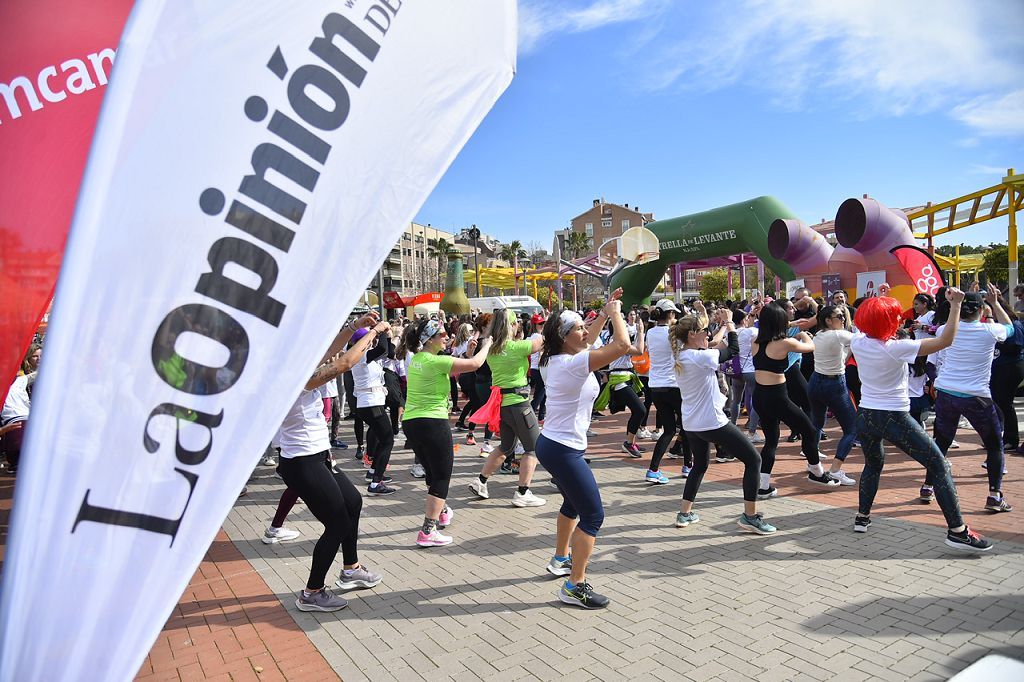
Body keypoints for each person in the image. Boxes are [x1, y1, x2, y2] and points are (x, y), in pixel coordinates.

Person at [851, 290, 992, 551]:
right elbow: (947, 339)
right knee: (940, 465)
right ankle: (958, 531)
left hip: (866, 415)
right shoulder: (897, 348)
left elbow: (863, 325)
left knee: (873, 465)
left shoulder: (859, 342)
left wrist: (880, 299)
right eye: (895, 316)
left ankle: (862, 517)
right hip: (892, 416)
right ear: (889, 322)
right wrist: (956, 305)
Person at [276, 315, 388, 612]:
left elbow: (329, 352)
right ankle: (312, 593)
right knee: (337, 522)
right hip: (300, 462)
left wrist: (353, 327)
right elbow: (343, 364)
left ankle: (351, 569)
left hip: (317, 455)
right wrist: (374, 331)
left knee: (352, 502)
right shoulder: (287, 377)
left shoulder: (295, 364)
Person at [536, 290, 629, 609]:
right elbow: (622, 346)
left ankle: (561, 558)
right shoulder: (573, 363)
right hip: (562, 449)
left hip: (554, 444)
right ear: (565, 337)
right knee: (593, 515)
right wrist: (616, 313)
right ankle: (574, 585)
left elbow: (587, 338)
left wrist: (602, 312)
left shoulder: (557, 357)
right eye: (578, 328)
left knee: (572, 505)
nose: (585, 330)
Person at [671, 308, 776, 534]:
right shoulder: (701, 357)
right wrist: (729, 324)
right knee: (754, 460)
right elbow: (733, 350)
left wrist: (720, 327)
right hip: (712, 422)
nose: (707, 336)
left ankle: (684, 512)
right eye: (703, 331)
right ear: (691, 335)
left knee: (700, 465)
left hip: (691, 423)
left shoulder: (682, 355)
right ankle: (750, 516)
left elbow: (714, 345)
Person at [400, 318, 493, 546]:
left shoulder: (419, 359)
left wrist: (466, 354)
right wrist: (487, 344)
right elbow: (475, 365)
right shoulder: (434, 360)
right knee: (442, 476)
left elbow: (454, 367)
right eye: (441, 334)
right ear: (430, 339)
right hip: (432, 422)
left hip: (412, 422)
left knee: (432, 472)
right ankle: (427, 532)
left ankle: (442, 511)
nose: (446, 336)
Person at [931, 285, 1013, 512]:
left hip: (946, 392)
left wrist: (953, 302)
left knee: (942, 442)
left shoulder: (944, 331)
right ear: (981, 309)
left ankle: (928, 486)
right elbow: (1010, 327)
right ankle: (995, 497)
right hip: (976, 396)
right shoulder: (990, 331)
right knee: (994, 445)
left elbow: (947, 321)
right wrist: (996, 303)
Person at [752, 302, 838, 497]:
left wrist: (791, 325)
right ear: (781, 322)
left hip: (760, 396)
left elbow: (772, 326)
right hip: (777, 396)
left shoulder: (756, 341)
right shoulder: (785, 343)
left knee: (771, 440)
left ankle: (764, 486)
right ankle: (816, 472)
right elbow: (810, 347)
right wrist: (802, 333)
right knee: (808, 430)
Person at [468, 310, 546, 507]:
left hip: (502, 405)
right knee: (533, 448)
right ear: (511, 325)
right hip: (519, 403)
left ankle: (481, 481)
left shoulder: (492, 349)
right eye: (516, 322)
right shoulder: (517, 347)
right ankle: (522, 492)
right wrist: (542, 328)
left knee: (506, 446)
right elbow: (541, 342)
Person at [645, 298, 701, 482]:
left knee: (669, 430)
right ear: (671, 314)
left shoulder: (650, 333)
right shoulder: (674, 333)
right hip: (674, 386)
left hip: (655, 386)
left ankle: (653, 469)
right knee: (687, 426)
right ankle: (687, 465)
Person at [808, 304, 858, 485]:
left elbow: (843, 354)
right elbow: (864, 340)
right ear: (828, 320)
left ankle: (813, 464)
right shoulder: (839, 335)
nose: (843, 319)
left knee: (817, 424)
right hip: (834, 384)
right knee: (852, 428)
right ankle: (835, 469)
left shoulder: (819, 335)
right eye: (839, 316)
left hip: (815, 382)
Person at [349, 326, 398, 494]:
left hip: (371, 403)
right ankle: (376, 483)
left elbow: (389, 352)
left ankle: (373, 473)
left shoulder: (367, 355)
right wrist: (381, 330)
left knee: (381, 438)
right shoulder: (362, 355)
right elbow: (383, 349)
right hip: (371, 404)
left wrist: (389, 336)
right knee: (387, 440)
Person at [596, 313, 647, 457]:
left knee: (637, 410)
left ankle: (631, 442)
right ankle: (629, 443)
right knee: (640, 410)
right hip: (619, 381)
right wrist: (641, 332)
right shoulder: (618, 342)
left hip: (624, 377)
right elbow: (639, 351)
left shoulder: (617, 340)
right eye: (623, 325)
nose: (626, 327)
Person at [991, 297, 1024, 454]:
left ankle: (1011, 439)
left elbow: (1016, 346)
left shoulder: (1014, 325)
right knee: (999, 402)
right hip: (1001, 367)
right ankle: (1002, 437)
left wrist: (1000, 342)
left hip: (1010, 367)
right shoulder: (998, 326)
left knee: (1005, 403)